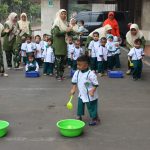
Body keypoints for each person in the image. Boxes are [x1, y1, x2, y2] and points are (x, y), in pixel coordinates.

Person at [70, 55, 100, 126]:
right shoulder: (77, 72)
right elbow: (74, 81)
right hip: (81, 93)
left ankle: (95, 118)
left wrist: (92, 91)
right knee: (80, 105)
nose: (78, 66)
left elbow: (96, 84)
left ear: (86, 65)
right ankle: (79, 116)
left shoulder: (91, 74)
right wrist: (73, 88)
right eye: (77, 64)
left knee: (92, 107)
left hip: (90, 95)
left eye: (80, 65)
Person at [51, 9, 72, 81]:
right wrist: (66, 31)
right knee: (58, 61)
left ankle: (61, 75)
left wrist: (76, 33)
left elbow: (69, 32)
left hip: (64, 44)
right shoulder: (56, 22)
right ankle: (57, 76)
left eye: (65, 14)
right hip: (57, 44)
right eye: (62, 14)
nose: (64, 15)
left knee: (63, 61)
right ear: (59, 14)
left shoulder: (66, 23)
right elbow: (56, 33)